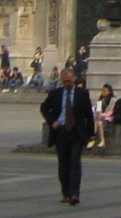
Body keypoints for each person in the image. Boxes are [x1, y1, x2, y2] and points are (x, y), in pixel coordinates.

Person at [41, 66, 95, 206]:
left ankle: (75, 194)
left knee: (75, 163)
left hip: (77, 132)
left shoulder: (82, 93)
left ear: (74, 79)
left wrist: (91, 134)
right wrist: (52, 121)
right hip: (61, 132)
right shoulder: (55, 93)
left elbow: (89, 114)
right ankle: (66, 193)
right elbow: (44, 108)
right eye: (65, 81)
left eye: (69, 81)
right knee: (63, 164)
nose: (67, 84)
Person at [91, 83, 117, 149]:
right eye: (102, 90)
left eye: (105, 91)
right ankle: (94, 139)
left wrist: (101, 115)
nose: (103, 92)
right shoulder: (101, 100)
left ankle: (101, 140)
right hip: (99, 117)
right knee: (95, 121)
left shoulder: (113, 100)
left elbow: (110, 112)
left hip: (108, 118)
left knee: (98, 122)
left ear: (109, 92)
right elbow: (97, 109)